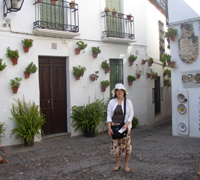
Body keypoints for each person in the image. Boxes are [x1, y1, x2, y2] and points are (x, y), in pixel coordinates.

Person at [107, 83, 134, 173]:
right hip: (115, 127)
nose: (119, 92)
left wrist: (126, 125)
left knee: (127, 147)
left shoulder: (128, 102)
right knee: (116, 147)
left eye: (121, 90)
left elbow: (131, 114)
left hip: (124, 127)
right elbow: (109, 115)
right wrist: (109, 128)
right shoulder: (112, 102)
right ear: (115, 92)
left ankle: (126, 165)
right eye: (117, 90)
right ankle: (118, 164)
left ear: (124, 92)